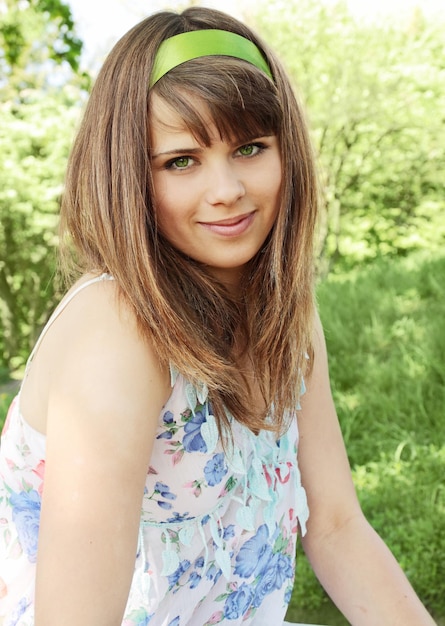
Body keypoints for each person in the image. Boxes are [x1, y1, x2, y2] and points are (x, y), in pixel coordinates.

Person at [0, 6, 437, 626]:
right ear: (128, 179)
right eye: (181, 160)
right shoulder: (118, 332)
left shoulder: (286, 315)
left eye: (250, 147)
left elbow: (336, 527)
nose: (227, 187)